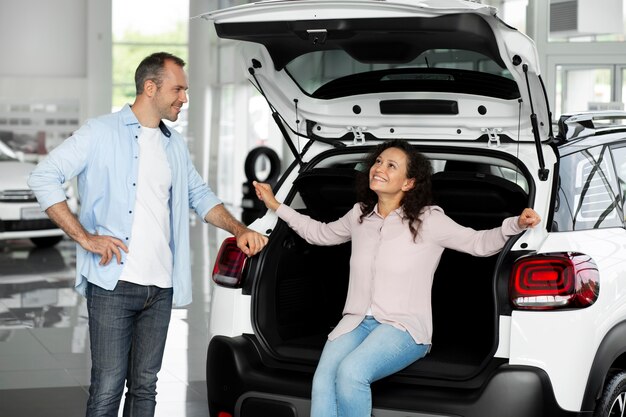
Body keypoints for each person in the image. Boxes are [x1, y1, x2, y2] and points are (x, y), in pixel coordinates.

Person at [28, 52, 268, 417]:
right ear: (150, 87)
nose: (184, 98)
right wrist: (84, 237)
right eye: (178, 89)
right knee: (108, 387)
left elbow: (198, 195)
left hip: (161, 286)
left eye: (185, 90)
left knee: (145, 386)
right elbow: (43, 177)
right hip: (113, 283)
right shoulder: (100, 131)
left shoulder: (174, 144)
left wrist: (239, 229)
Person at [253, 139, 541, 417]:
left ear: (408, 183)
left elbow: (479, 243)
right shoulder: (359, 216)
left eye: (392, 166)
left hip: (404, 327)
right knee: (323, 380)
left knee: (351, 374)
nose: (379, 168)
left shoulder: (428, 219)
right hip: (355, 320)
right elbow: (320, 233)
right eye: (378, 162)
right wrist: (276, 205)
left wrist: (515, 224)